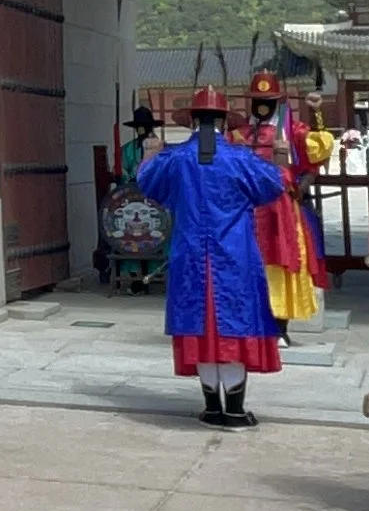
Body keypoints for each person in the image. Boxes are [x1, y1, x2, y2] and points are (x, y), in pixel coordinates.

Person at [138, 76, 282, 427]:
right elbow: (273, 184)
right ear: (222, 122)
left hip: (190, 253)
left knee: (199, 326)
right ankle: (234, 409)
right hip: (235, 254)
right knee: (233, 325)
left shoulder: (175, 159)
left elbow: (147, 182)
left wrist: (150, 153)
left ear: (192, 121)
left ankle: (211, 407)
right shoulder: (238, 158)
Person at [240, 64, 332, 332]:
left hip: (280, 211)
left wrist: (316, 113)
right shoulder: (240, 134)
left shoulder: (291, 130)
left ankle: (280, 326)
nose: (262, 106)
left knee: (283, 261)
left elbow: (319, 148)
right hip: (247, 211)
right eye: (258, 101)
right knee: (247, 263)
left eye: (267, 101)